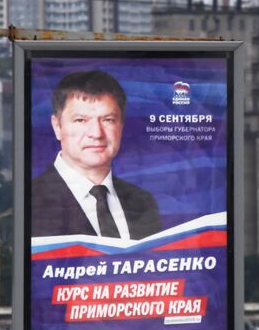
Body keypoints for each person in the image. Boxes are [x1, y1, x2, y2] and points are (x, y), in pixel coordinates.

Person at [30, 69, 162, 240]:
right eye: (81, 120)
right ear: (57, 126)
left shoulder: (143, 202)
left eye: (108, 120)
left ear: (121, 126)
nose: (96, 133)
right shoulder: (30, 201)